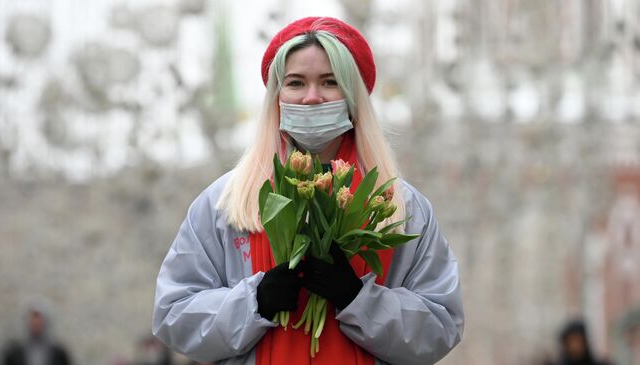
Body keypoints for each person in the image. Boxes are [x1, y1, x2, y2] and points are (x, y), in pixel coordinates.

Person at [152, 16, 464, 365]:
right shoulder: (226, 202)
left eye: (329, 82)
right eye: (296, 83)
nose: (312, 98)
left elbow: (441, 325)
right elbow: (173, 314)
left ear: (352, 95)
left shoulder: (400, 206)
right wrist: (255, 301)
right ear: (277, 95)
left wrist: (358, 298)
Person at [0, 306, 72, 365]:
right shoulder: (14, 352)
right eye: (33, 320)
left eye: (39, 320)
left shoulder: (58, 352)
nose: (36, 323)